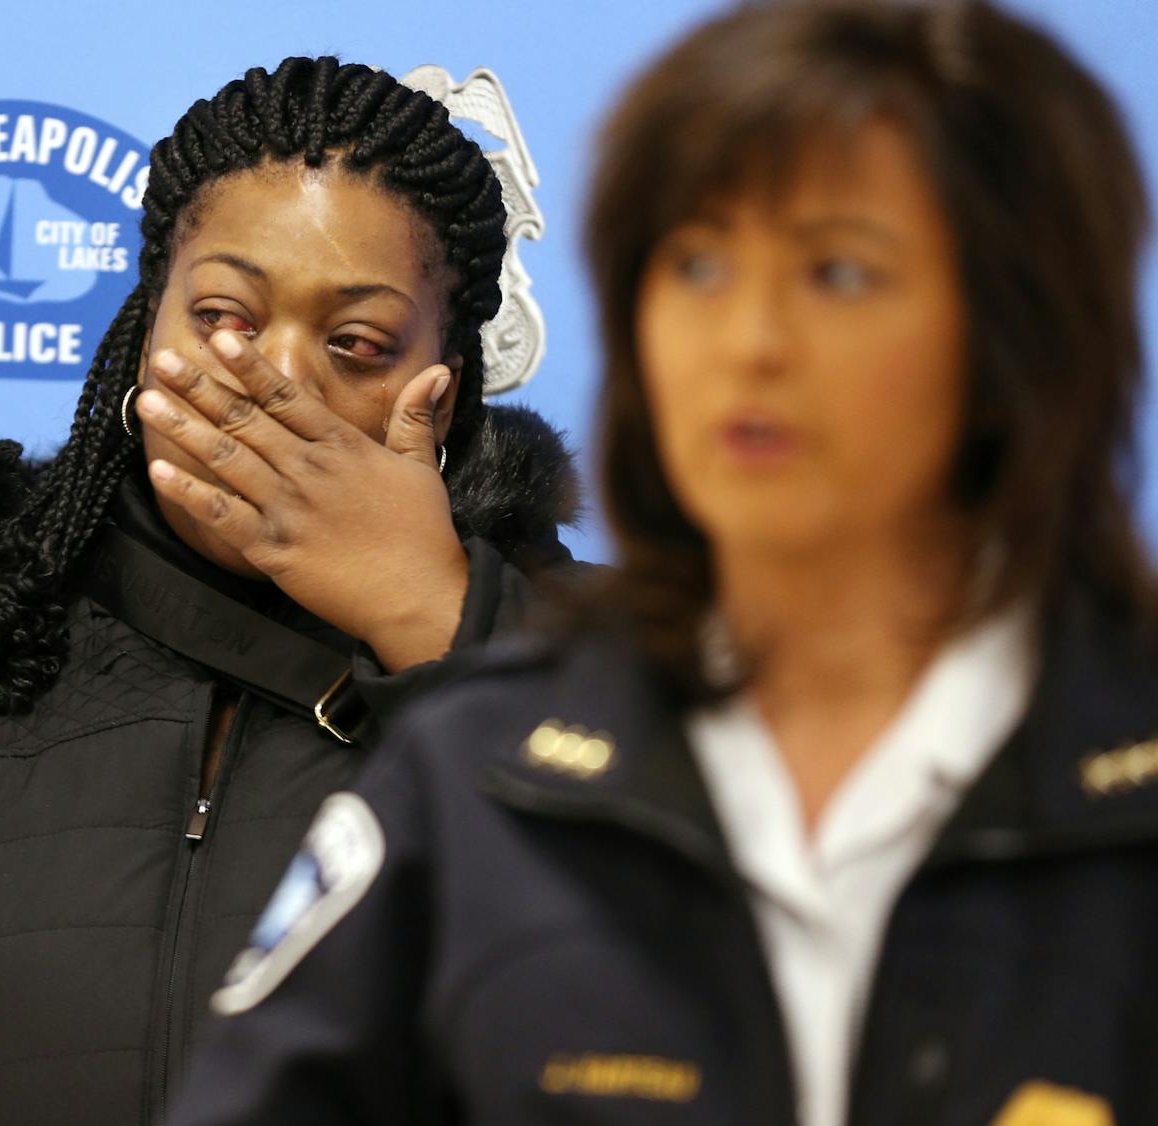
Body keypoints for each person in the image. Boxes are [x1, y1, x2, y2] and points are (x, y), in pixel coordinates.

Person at [178, 4, 1158, 1125]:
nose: (745, 340)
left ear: (1017, 330)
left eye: (835, 271)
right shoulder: (477, 775)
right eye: (695, 264)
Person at [0, 57, 579, 1126]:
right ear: (147, 330)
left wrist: (438, 623)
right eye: (224, 313)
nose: (270, 377)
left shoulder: (603, 667)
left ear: (442, 388)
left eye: (355, 342)